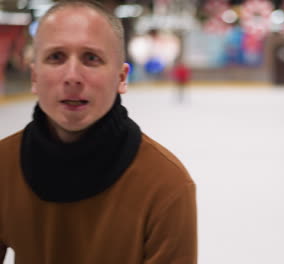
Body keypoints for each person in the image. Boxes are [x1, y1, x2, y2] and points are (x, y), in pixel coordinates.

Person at [0, 1, 197, 264]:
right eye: (56, 57)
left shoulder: (166, 186)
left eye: (91, 58)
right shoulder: (3, 167)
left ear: (121, 78)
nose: (72, 76)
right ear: (35, 76)